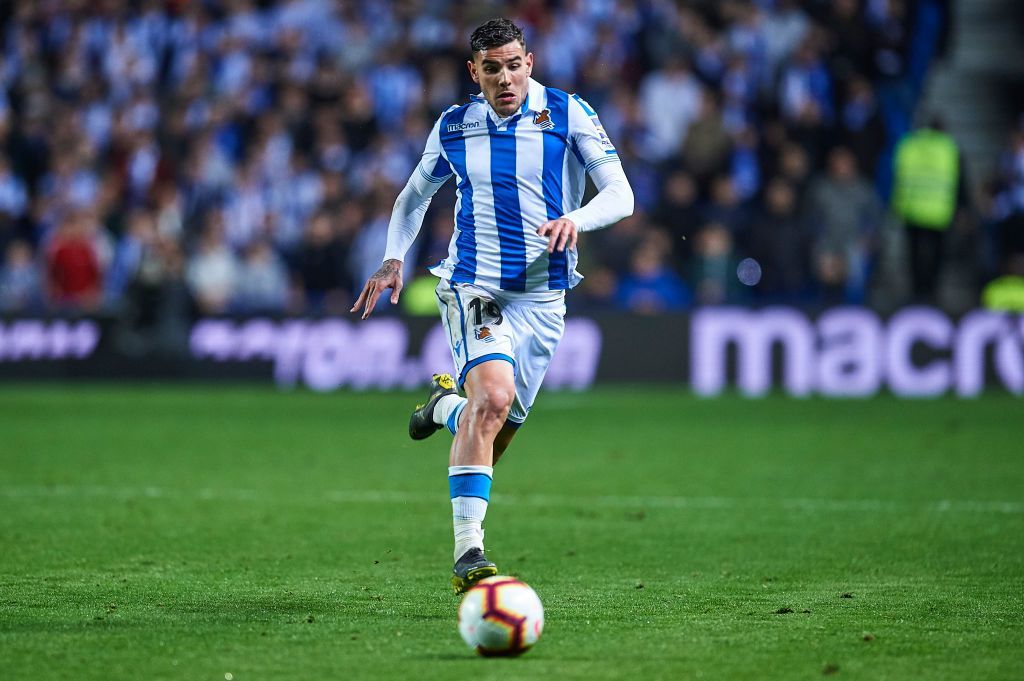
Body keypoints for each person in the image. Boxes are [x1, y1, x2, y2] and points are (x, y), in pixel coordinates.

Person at [351, 18, 634, 593]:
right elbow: (413, 197)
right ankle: (468, 553)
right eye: (491, 68)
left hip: (544, 298)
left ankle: (442, 408)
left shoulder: (568, 113)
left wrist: (573, 220)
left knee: (495, 425)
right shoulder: (454, 126)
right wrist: (392, 258)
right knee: (494, 400)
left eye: (513, 64)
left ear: (529, 62)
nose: (504, 78)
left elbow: (621, 195)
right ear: (473, 72)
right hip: (474, 285)